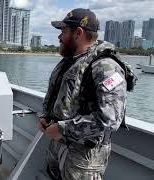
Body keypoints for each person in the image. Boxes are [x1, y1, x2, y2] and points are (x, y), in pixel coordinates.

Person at [38, 8, 128, 180]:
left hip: (83, 160)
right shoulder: (69, 62)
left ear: (78, 33)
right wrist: (46, 116)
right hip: (58, 148)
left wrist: (64, 129)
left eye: (63, 31)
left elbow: (110, 120)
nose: (59, 38)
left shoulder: (106, 67)